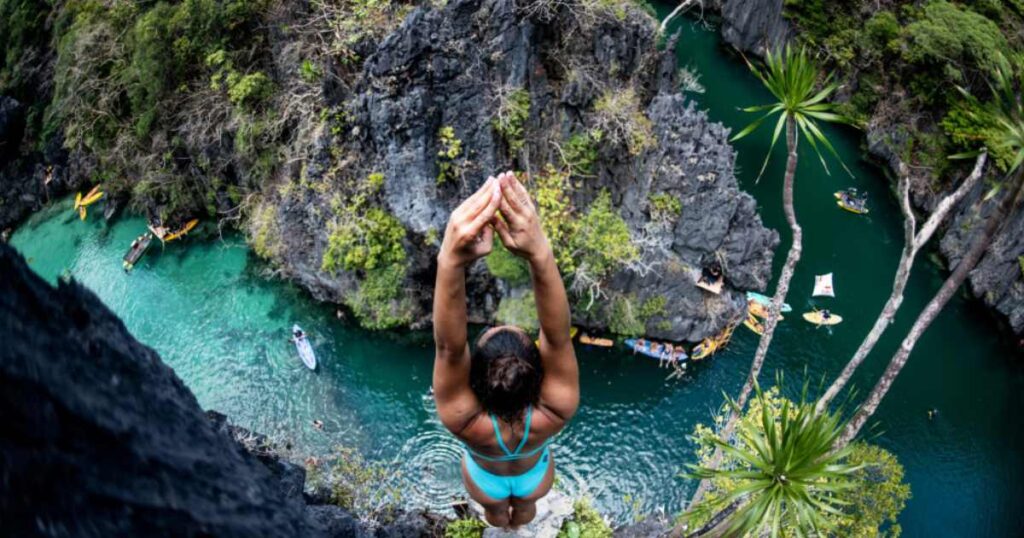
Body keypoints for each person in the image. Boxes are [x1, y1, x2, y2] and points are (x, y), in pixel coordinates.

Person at [433, 172, 579, 529]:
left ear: (473, 382)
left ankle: (503, 525)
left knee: (494, 512)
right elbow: (557, 336)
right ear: (538, 374)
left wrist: (450, 259)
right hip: (534, 477)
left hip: (487, 481)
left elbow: (450, 348)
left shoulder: (465, 421)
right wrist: (539, 251)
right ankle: (521, 525)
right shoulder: (556, 409)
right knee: (527, 506)